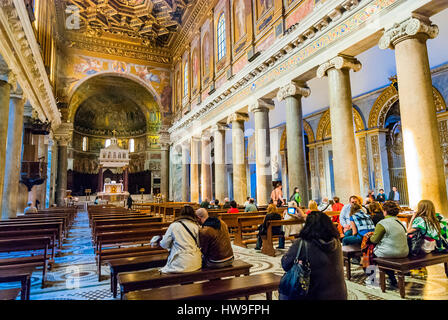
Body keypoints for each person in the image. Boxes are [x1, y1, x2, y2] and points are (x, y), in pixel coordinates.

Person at [281, 211, 347, 300]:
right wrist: (304, 216)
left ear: (307, 226)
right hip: (339, 294)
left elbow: (285, 264)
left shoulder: (302, 243)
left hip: (315, 295)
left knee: (286, 291)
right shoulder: (336, 242)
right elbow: (318, 221)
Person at [368, 201, 409, 287]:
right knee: (386, 251)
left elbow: (374, 240)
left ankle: (371, 278)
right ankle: (392, 278)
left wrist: (370, 236)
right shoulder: (400, 222)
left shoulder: (382, 223)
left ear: (385, 211)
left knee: (368, 253)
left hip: (390, 253)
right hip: (404, 252)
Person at [159, 205, 202, 273]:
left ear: (180, 214)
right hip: (195, 262)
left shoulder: (174, 226)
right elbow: (200, 244)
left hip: (179, 262)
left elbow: (164, 245)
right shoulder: (196, 226)